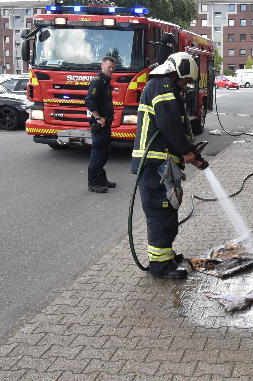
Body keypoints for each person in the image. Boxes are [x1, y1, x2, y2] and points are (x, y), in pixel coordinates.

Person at [131, 52, 205, 280]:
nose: (185, 85)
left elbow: (177, 126)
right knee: (161, 213)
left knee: (167, 213)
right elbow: (169, 124)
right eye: (185, 80)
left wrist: (191, 151)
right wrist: (185, 151)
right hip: (153, 162)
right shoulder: (161, 86)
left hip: (160, 162)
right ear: (178, 72)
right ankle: (160, 266)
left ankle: (164, 256)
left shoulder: (164, 86)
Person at [85, 56, 116, 193]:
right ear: (102, 66)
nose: (111, 70)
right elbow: (89, 101)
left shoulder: (105, 82)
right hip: (100, 124)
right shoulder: (97, 82)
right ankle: (93, 183)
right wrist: (98, 118)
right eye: (109, 67)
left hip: (107, 123)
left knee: (104, 153)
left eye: (113, 67)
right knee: (97, 153)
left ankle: (102, 179)